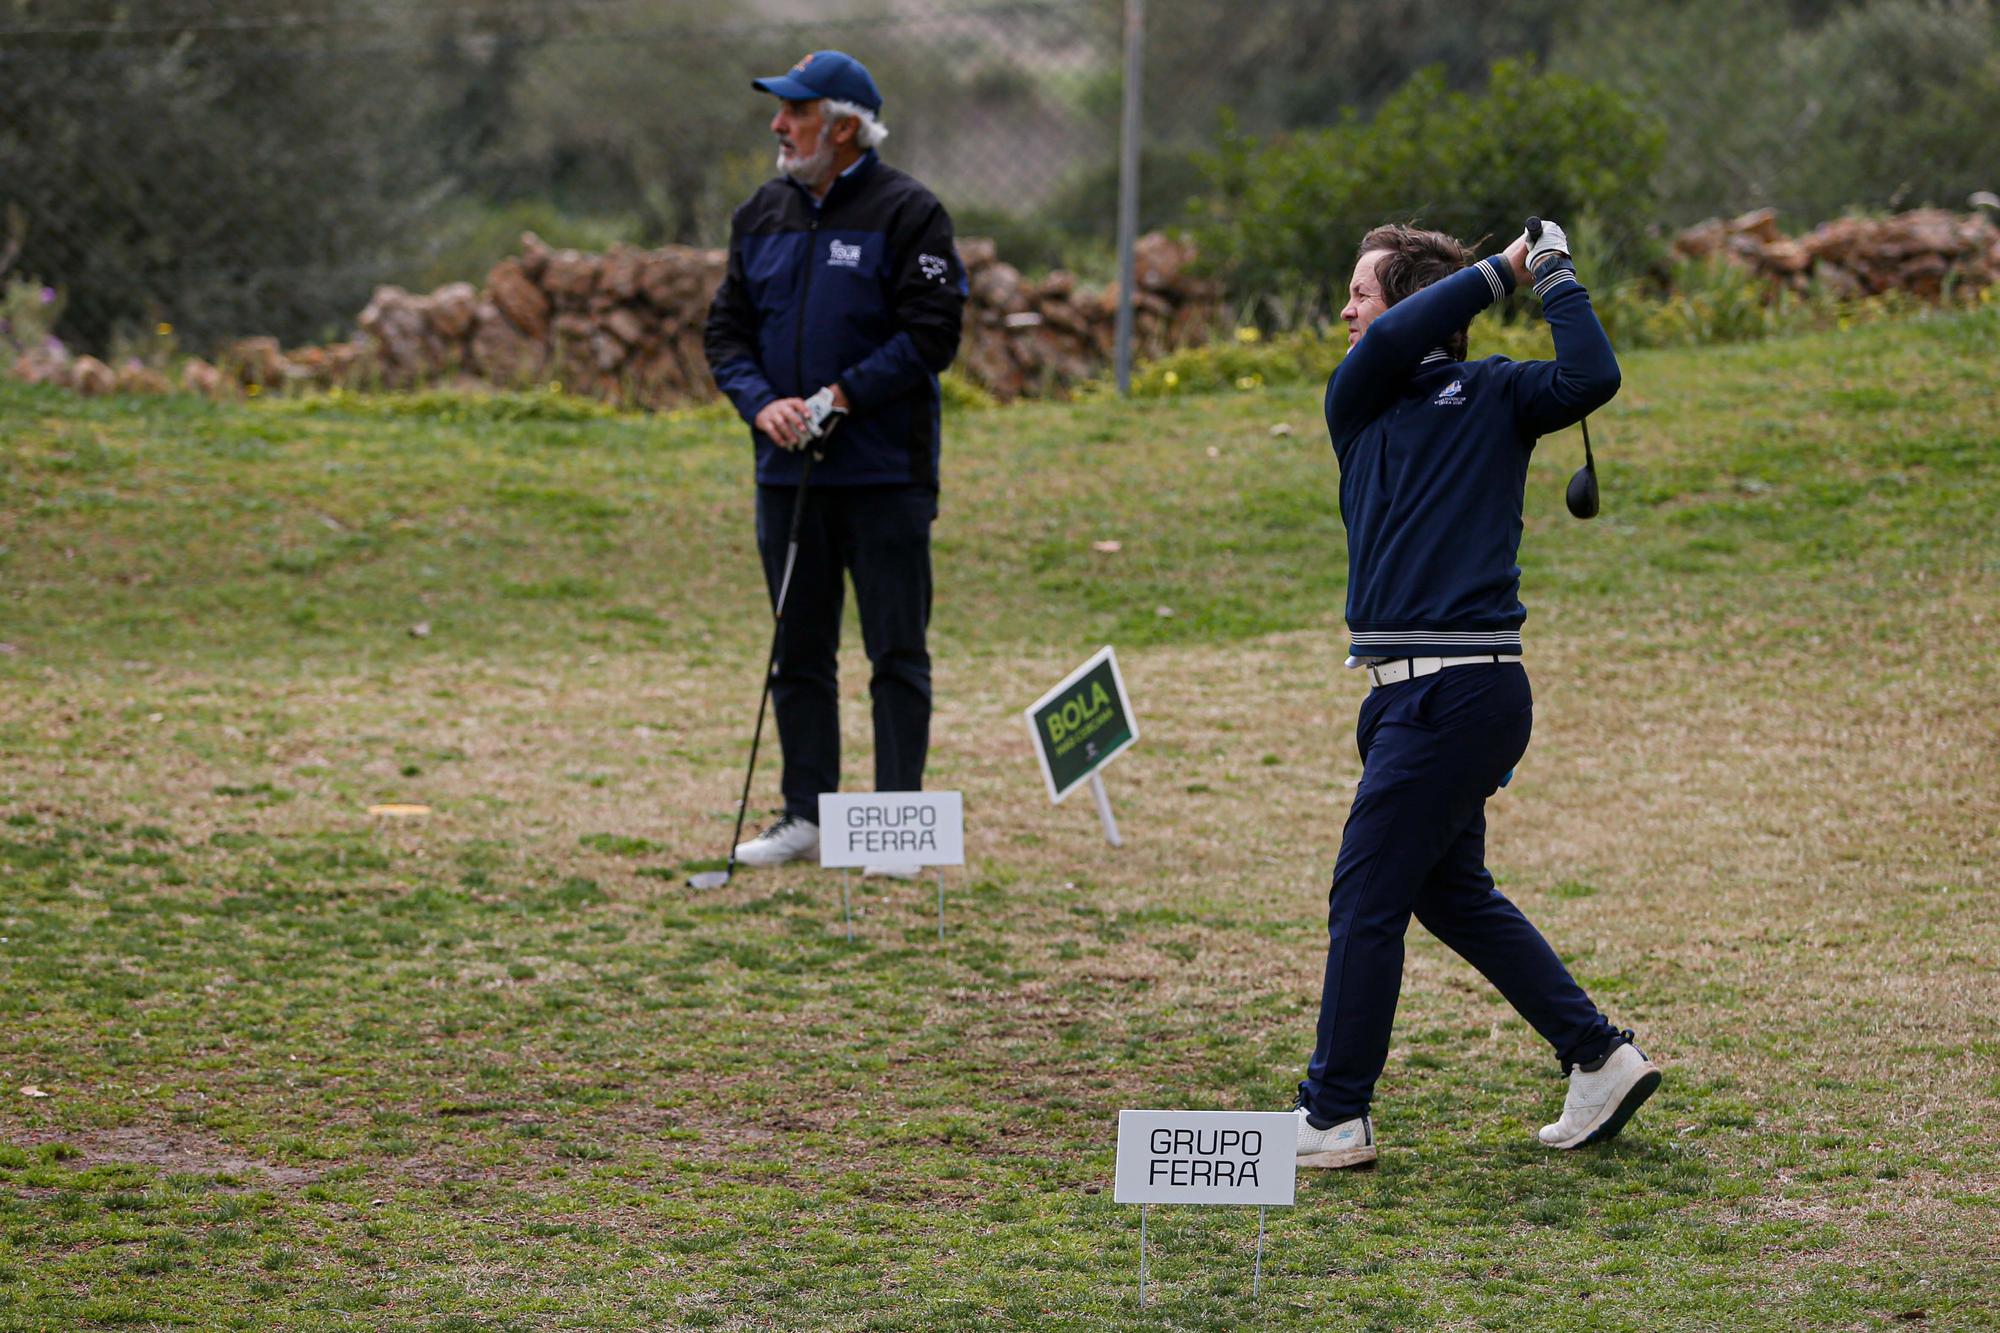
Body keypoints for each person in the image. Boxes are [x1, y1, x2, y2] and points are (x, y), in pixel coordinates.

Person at [1291, 219, 1661, 1170]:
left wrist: (1553, 273)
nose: (1347, 310)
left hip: (1461, 691)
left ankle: (1334, 1115)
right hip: (1408, 699)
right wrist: (1498, 271)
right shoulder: (1362, 399)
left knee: (1365, 896)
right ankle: (1598, 1055)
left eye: (1362, 292)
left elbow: (1592, 378)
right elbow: (1384, 343)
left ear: (1412, 303)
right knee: (1450, 894)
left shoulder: (1496, 390)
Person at [703, 50, 966, 879]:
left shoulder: (910, 212)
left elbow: (933, 334)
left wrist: (844, 395)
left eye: (797, 113)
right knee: (799, 650)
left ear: (845, 127)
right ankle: (806, 816)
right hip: (788, 475)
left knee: (895, 652)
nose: (779, 126)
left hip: (884, 475)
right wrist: (760, 402)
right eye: (780, 112)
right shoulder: (762, 214)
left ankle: (895, 829)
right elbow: (727, 333)